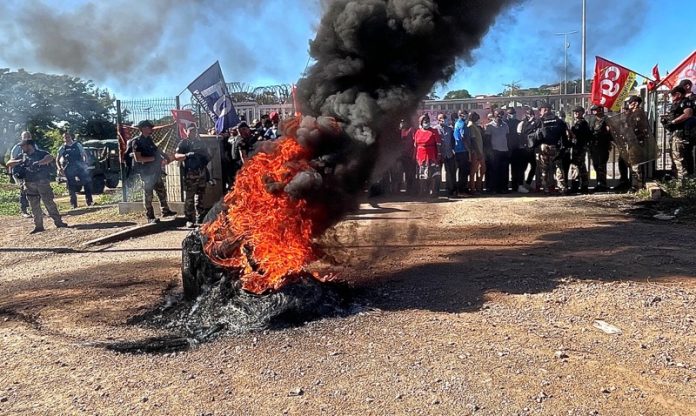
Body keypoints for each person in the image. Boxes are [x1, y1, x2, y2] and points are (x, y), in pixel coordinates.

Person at [7, 138, 68, 233]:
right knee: (34, 206)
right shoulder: (22, 156)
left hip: (42, 182)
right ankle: (38, 226)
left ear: (29, 145)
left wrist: (38, 163)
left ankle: (58, 222)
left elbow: (50, 157)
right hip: (29, 183)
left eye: (23, 146)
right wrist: (20, 161)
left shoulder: (41, 153)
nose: (21, 148)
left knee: (49, 202)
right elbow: (9, 163)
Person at [131, 120, 177, 223]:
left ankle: (165, 211)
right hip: (146, 173)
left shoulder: (149, 140)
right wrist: (154, 159)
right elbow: (138, 158)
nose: (151, 129)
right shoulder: (137, 142)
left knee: (161, 191)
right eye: (149, 127)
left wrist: (165, 157)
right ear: (143, 129)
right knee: (148, 195)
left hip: (155, 171)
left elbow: (157, 150)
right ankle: (150, 217)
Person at [175, 126, 211, 228]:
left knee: (200, 196)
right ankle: (189, 219)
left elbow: (208, 156)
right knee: (190, 198)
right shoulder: (183, 143)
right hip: (190, 174)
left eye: (194, 131)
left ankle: (201, 218)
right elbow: (176, 156)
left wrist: (205, 157)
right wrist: (187, 155)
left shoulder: (201, 143)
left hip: (201, 172)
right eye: (191, 131)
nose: (193, 133)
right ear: (186, 132)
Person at [534, 103, 567, 194]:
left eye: (546, 109)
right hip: (548, 147)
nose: (546, 111)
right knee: (550, 168)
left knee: (551, 168)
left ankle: (552, 187)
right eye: (544, 109)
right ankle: (554, 187)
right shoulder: (541, 121)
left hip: (550, 147)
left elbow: (563, 134)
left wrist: (563, 146)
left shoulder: (543, 121)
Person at [663, 85, 695, 180]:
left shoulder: (685, 102)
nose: (671, 98)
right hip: (675, 134)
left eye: (672, 95)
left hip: (681, 134)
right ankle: (677, 179)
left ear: (678, 94)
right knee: (674, 157)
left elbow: (688, 114)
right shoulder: (677, 103)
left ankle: (683, 184)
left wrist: (673, 122)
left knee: (680, 159)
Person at [56, 131, 93, 209]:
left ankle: (89, 201)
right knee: (71, 186)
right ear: (63, 139)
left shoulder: (77, 145)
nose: (67, 138)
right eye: (65, 137)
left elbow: (84, 154)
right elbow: (57, 159)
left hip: (80, 166)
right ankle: (74, 204)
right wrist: (60, 168)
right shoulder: (62, 147)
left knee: (87, 182)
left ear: (71, 137)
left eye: (68, 137)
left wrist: (85, 163)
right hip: (69, 167)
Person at [413, 114, 441, 198]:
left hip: (431, 156)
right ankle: (422, 191)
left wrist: (439, 155)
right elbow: (415, 145)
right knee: (422, 175)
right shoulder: (417, 132)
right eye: (425, 121)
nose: (427, 123)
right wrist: (414, 156)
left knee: (433, 174)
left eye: (428, 121)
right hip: (421, 156)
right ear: (421, 123)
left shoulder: (434, 131)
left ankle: (433, 192)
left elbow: (438, 144)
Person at [586, 105, 613, 192]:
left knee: (602, 165)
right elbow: (589, 131)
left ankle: (602, 184)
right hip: (593, 145)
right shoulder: (591, 119)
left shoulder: (606, 119)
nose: (594, 111)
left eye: (595, 109)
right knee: (596, 165)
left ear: (600, 110)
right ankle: (598, 183)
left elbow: (610, 132)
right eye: (593, 110)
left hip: (603, 145)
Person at [9, 131, 34, 218]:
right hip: (19, 172)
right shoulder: (17, 148)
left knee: (34, 190)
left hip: (30, 172)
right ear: (22, 138)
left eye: (29, 136)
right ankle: (24, 211)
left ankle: (35, 209)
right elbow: (11, 161)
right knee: (23, 190)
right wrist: (20, 161)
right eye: (25, 136)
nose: (27, 138)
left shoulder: (34, 146)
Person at [484, 111, 510, 193]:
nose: (499, 117)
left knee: (504, 170)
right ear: (494, 116)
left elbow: (507, 137)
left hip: (504, 150)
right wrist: (489, 152)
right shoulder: (489, 126)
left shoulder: (505, 125)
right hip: (494, 151)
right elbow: (487, 140)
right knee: (494, 171)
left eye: (501, 116)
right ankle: (493, 188)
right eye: (498, 115)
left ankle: (503, 188)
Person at [568, 106, 591, 193]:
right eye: (575, 112)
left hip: (580, 147)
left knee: (576, 166)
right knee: (581, 166)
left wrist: (571, 133)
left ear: (582, 112)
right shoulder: (576, 122)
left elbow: (579, 135)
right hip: (577, 146)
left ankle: (576, 186)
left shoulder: (582, 123)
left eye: (578, 111)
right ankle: (584, 185)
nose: (576, 113)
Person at [517, 107, 540, 191]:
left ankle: (528, 183)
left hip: (532, 148)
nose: (531, 115)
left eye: (532, 113)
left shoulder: (536, 122)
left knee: (534, 166)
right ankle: (520, 185)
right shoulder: (522, 124)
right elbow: (519, 136)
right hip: (524, 149)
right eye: (529, 114)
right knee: (523, 167)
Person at [506, 108, 528, 193]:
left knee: (518, 169)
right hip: (506, 149)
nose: (513, 115)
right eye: (511, 113)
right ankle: (506, 186)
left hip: (517, 149)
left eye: (514, 113)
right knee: (505, 169)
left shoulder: (519, 122)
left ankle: (518, 185)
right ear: (507, 114)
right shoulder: (504, 123)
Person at [436, 113, 456, 197]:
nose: (443, 119)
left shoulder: (450, 129)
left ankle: (450, 190)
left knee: (450, 173)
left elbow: (453, 141)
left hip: (449, 154)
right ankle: (437, 190)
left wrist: (453, 151)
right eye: (441, 118)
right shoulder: (435, 129)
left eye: (444, 118)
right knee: (437, 173)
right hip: (439, 155)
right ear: (438, 120)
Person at [453, 110, 472, 195]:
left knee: (462, 171)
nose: (466, 116)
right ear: (461, 115)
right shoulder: (462, 124)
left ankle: (462, 189)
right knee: (464, 171)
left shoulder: (457, 123)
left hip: (459, 150)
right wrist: (469, 149)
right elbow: (463, 137)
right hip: (463, 150)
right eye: (465, 114)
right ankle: (461, 190)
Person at [467, 112, 486, 193]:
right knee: (473, 171)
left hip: (479, 150)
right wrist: (478, 152)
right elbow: (473, 140)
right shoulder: (471, 126)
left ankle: (478, 186)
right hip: (476, 151)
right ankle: (472, 188)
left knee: (482, 169)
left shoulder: (475, 126)